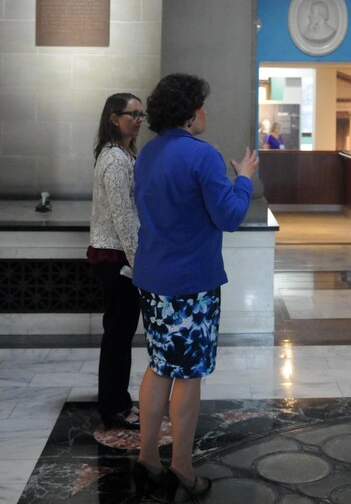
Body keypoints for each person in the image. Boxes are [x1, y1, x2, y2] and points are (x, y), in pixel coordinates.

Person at [131, 73, 258, 501]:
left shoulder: (147, 153)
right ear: (189, 113)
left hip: (153, 277)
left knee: (159, 365)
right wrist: (243, 177)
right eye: (202, 105)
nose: (206, 112)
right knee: (187, 375)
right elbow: (230, 216)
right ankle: (182, 468)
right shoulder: (201, 156)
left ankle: (148, 457)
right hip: (190, 284)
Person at [88, 93, 145, 429]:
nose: (138, 119)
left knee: (120, 334)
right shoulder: (114, 159)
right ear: (113, 117)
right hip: (116, 258)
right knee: (118, 336)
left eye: (141, 114)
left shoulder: (124, 154)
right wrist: (139, 264)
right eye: (130, 114)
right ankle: (114, 406)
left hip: (118, 255)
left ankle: (117, 400)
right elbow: (124, 217)